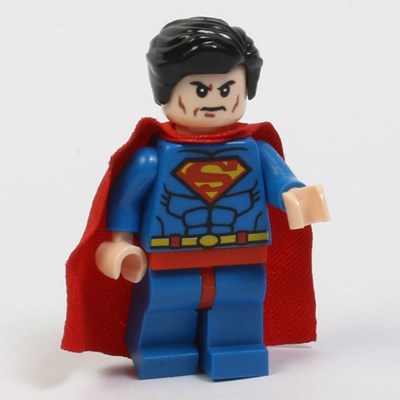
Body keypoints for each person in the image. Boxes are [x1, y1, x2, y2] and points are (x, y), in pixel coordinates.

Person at [62, 17, 329, 381]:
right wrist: (120, 243)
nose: (215, 101)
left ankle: (235, 350)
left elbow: (281, 183)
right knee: (166, 307)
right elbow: (126, 203)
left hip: (242, 250)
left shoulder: (255, 151)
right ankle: (163, 352)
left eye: (227, 88)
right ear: (166, 90)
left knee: (238, 305)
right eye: (200, 90)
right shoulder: (152, 158)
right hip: (171, 253)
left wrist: (297, 197)